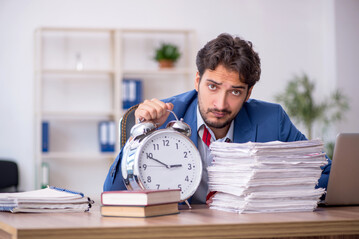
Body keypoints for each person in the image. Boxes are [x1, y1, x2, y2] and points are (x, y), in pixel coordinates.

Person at [103, 33, 331, 204]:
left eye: (235, 92)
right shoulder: (165, 117)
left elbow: (328, 176)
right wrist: (143, 131)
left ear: (248, 93)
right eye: (212, 87)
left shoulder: (272, 120)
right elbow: (113, 194)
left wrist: (271, 183)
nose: (221, 104)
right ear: (197, 81)